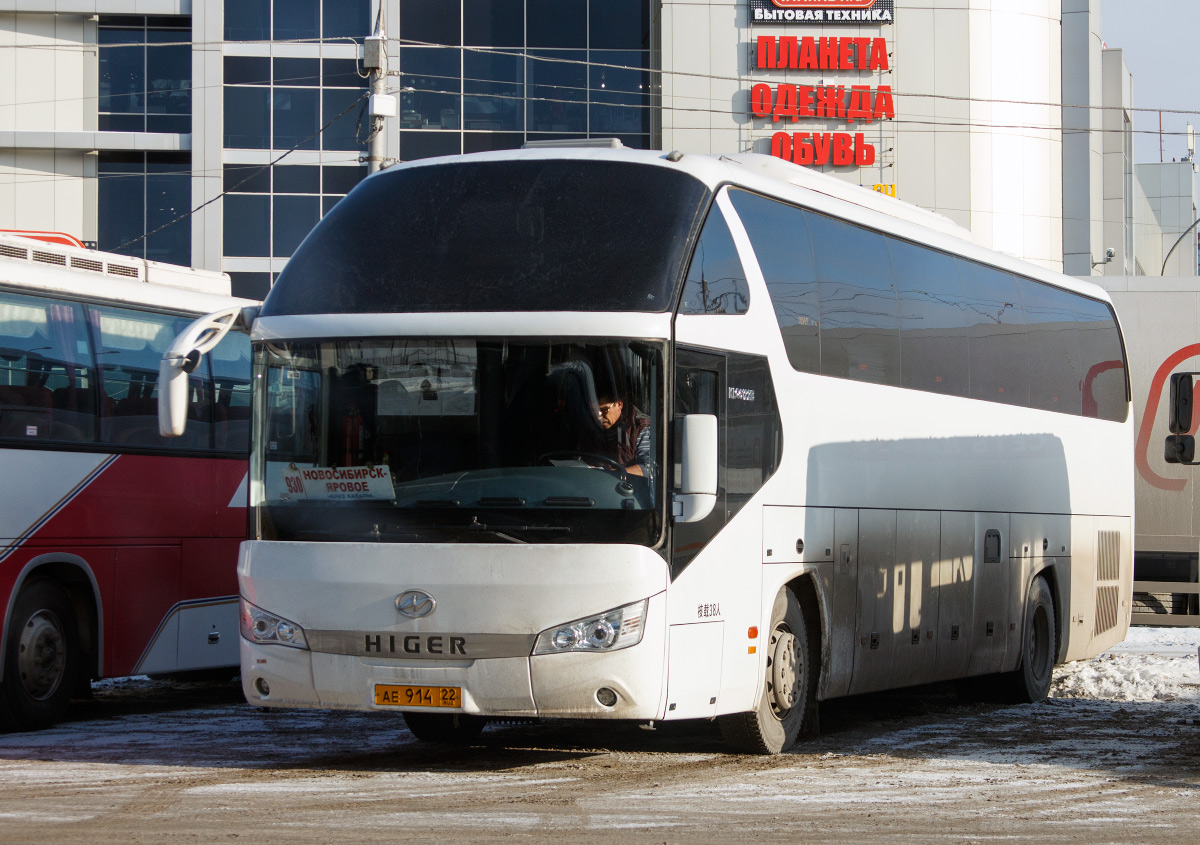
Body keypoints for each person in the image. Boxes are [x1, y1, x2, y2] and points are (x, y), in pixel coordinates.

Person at [594, 392, 651, 478]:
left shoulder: (640, 428)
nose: (598, 416)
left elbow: (648, 468)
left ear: (619, 405)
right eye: (594, 411)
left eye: (604, 410)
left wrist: (608, 474)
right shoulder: (590, 427)